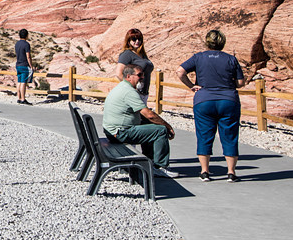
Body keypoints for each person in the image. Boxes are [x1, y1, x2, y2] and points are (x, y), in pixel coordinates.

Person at [177, 29, 246, 183]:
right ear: (223, 42)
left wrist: (191, 86)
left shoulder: (199, 57)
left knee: (204, 135)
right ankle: (231, 173)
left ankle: (205, 172)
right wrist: (228, 83)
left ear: (207, 42)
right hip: (228, 100)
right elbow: (241, 83)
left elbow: (180, 71)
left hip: (204, 100)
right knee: (229, 135)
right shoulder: (231, 59)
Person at [103, 64, 178, 177]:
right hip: (120, 133)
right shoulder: (129, 91)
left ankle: (149, 161)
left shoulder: (122, 87)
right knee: (160, 130)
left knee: (149, 125)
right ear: (129, 76)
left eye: (143, 74)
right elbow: (149, 114)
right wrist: (168, 126)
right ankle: (160, 167)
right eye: (139, 75)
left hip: (113, 131)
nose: (142, 77)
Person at [115, 28, 153, 106]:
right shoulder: (127, 54)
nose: (137, 41)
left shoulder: (142, 54)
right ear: (128, 41)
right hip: (135, 93)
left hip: (144, 93)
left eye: (139, 39)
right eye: (134, 39)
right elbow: (119, 74)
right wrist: (131, 88)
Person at [15, 29, 33, 105]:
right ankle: (23, 99)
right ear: (26, 35)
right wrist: (31, 66)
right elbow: (28, 56)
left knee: (19, 81)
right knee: (23, 82)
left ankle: (19, 98)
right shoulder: (26, 44)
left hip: (18, 64)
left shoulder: (17, 44)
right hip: (24, 65)